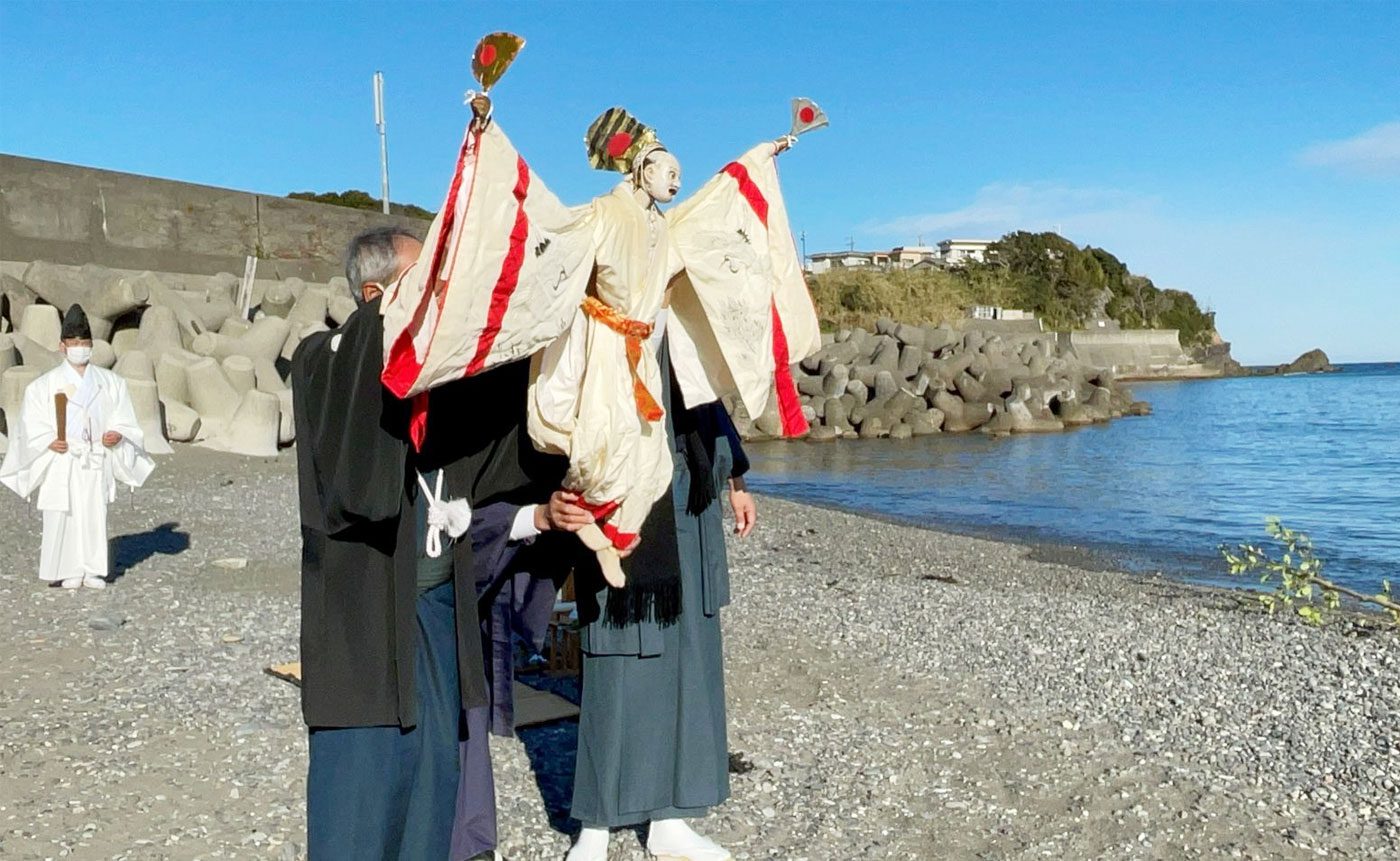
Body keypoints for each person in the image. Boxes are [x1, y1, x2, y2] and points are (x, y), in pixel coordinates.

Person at [293, 226, 578, 861]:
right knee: (357, 824)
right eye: (425, 283)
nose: (442, 297)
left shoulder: (443, 393)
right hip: (363, 641)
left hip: (440, 627)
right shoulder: (327, 362)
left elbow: (516, 445)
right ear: (374, 296)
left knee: (431, 810)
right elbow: (353, 488)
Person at [565, 324, 756, 861]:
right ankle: (597, 824)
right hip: (622, 489)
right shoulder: (609, 297)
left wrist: (737, 480)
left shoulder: (685, 302)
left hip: (690, 488)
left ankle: (671, 815)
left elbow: (707, 390)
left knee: (689, 656)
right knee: (617, 656)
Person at [0, 304, 153, 587]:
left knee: (94, 512)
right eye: (74, 343)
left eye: (84, 343)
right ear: (62, 346)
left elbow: (124, 418)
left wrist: (116, 434)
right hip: (62, 456)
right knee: (62, 512)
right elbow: (29, 424)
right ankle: (66, 568)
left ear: (91, 346)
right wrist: (49, 441)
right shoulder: (44, 386)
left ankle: (92, 569)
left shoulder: (111, 383)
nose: (79, 348)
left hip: (95, 454)